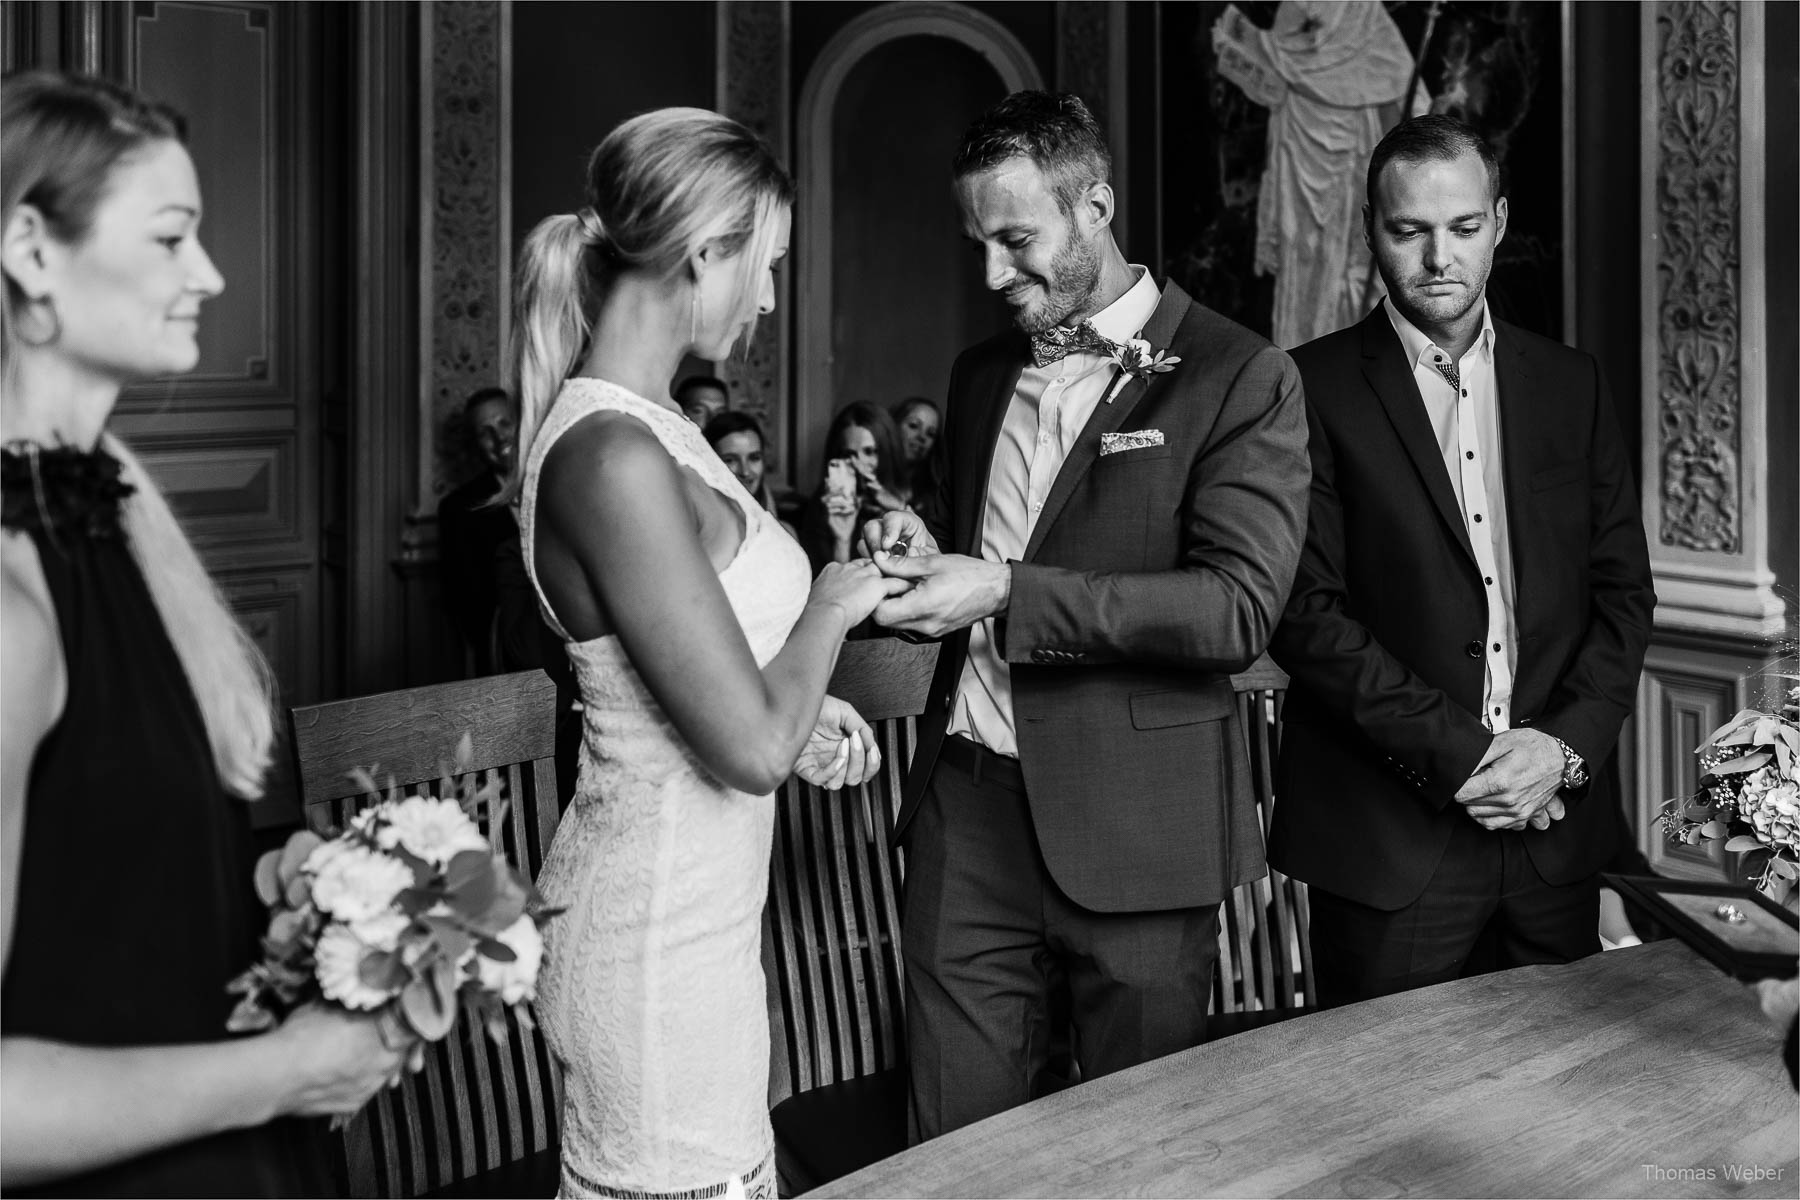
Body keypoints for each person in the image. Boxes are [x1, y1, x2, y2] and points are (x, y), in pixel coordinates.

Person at [861, 91, 1310, 1142]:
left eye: (1016, 240)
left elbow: (1236, 608)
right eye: (978, 243)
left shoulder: (1239, 374)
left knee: (1136, 1153)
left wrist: (1011, 592)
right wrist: (924, 556)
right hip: (967, 812)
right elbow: (973, 547)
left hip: (1140, 823)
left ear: (1095, 205)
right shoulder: (979, 377)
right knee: (950, 1153)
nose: (991, 275)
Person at [0, 70, 407, 1197]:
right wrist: (284, 1075)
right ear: (31, 251)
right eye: (173, 238)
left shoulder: (106, 522)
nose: (211, 275)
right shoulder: (9, 610)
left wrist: (270, 882)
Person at [507, 107, 905, 1199]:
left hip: (702, 928)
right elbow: (749, 753)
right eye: (763, 268)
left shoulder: (656, 427)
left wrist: (804, 699)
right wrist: (833, 604)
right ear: (703, 252)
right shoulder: (609, 452)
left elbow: (709, 667)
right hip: (651, 949)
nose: (771, 299)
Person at [1266, 115, 1655, 1007]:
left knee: (1556, 1118)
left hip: (1555, 829)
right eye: (1409, 230)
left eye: (1464, 228)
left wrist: (1561, 750)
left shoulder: (1572, 383)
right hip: (1390, 840)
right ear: (1370, 228)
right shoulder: (1300, 386)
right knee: (1386, 1126)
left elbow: (1624, 596)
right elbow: (1306, 614)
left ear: (1501, 222)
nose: (1439, 256)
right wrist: (1471, 759)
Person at [438, 385, 518, 671]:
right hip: (507, 658)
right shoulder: (459, 509)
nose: (499, 437)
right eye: (485, 432)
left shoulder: (559, 482)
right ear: (476, 443)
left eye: (504, 423)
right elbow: (468, 606)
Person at [800, 400, 910, 572]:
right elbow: (830, 587)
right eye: (849, 454)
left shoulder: (912, 497)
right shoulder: (825, 505)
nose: (859, 463)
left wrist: (900, 508)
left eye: (869, 452)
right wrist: (842, 539)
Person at [703, 409, 793, 536]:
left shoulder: (786, 532)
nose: (745, 471)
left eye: (754, 458)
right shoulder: (699, 534)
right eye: (730, 460)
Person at [890, 395, 945, 531]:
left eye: (930, 433)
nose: (922, 437)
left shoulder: (935, 497)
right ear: (893, 425)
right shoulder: (871, 475)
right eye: (913, 426)